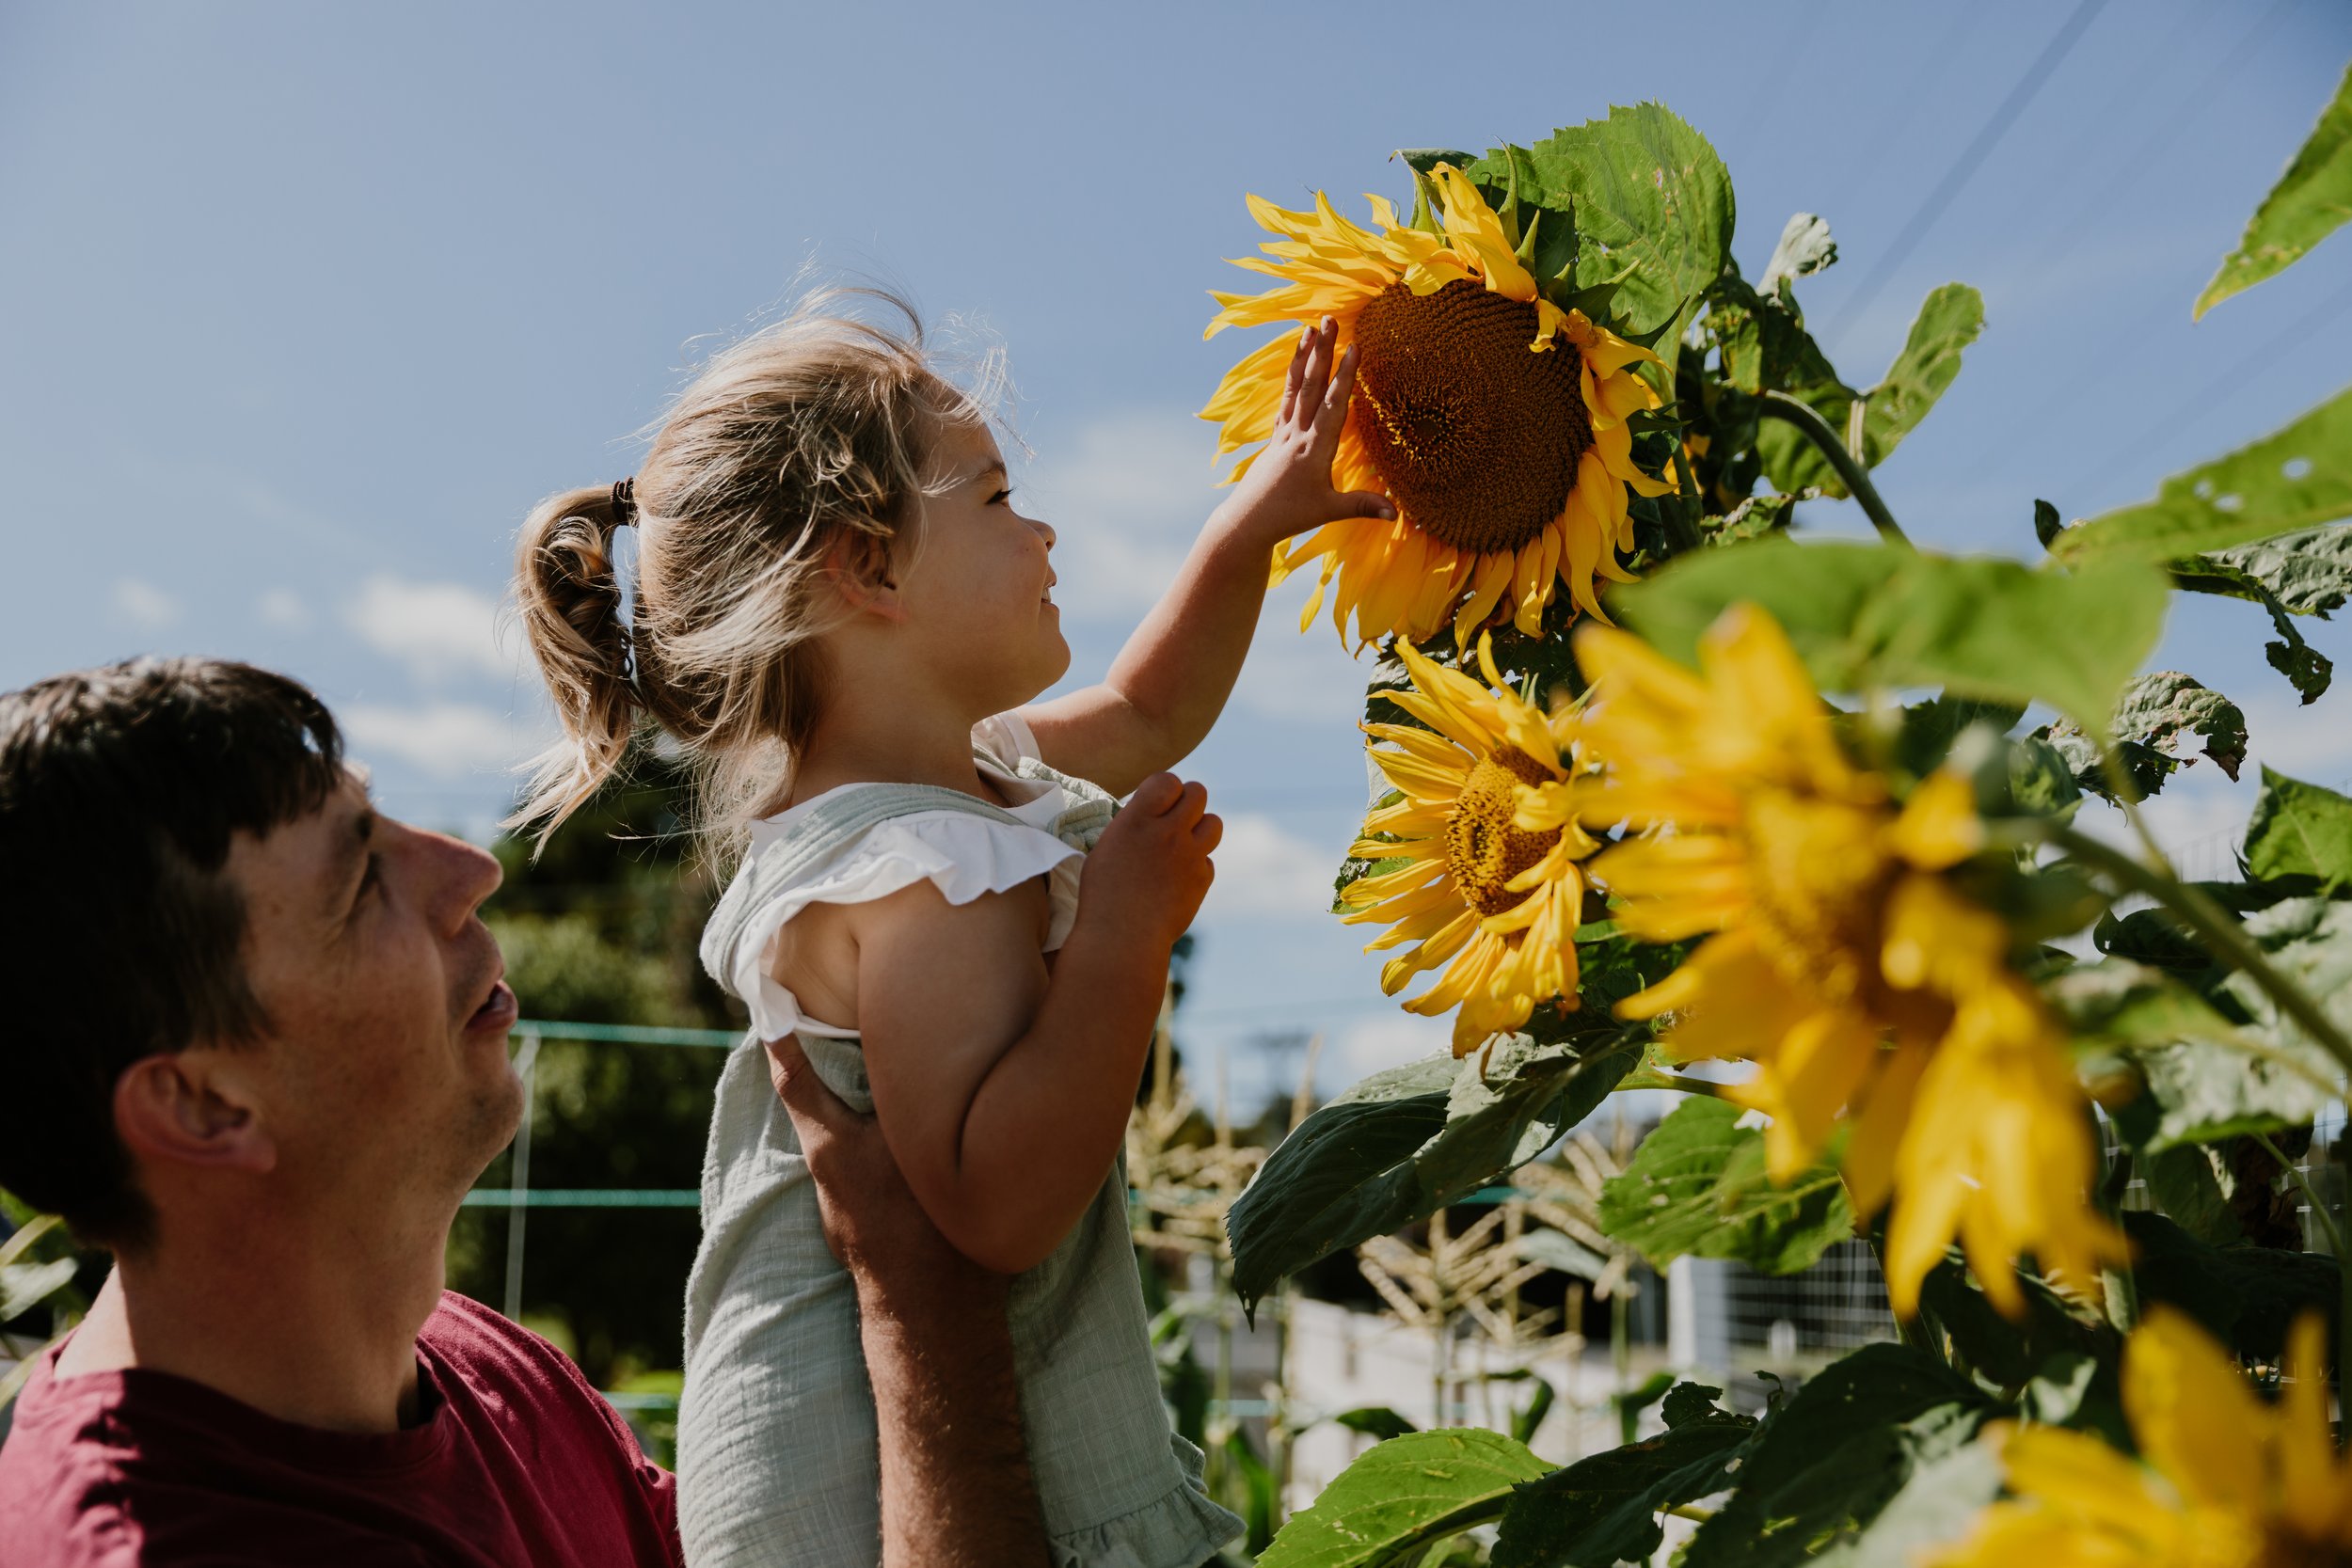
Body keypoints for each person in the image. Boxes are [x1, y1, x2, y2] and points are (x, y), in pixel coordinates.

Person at [510, 292, 1388, 1566]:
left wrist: (1253, 521)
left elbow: (1146, 710)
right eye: (991, 498)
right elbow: (996, 1202)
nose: (1039, 528)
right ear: (866, 567)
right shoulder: (916, 867)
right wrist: (1123, 940)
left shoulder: (938, 786)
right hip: (854, 1493)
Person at [0, 657, 1053, 1566]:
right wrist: (924, 1302)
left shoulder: (477, 1362)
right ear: (200, 1102)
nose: (472, 867)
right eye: (361, 879)